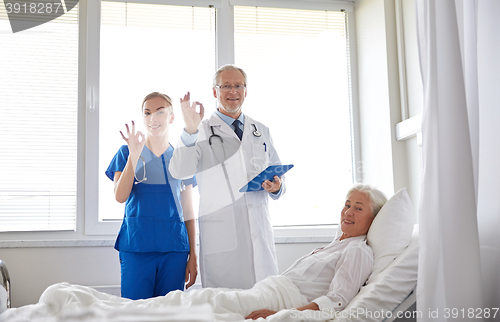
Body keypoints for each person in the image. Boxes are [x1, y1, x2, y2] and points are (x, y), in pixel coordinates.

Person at [26, 185, 388, 321]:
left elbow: (337, 301)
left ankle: (77, 305)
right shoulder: (336, 244)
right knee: (183, 304)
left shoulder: (359, 252)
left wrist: (280, 314)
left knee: (186, 308)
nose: (347, 212)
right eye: (346, 204)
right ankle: (78, 304)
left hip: (272, 299)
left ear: (373, 219)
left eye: (358, 208)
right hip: (262, 291)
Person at [169, 65, 285, 289]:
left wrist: (277, 187)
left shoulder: (260, 130)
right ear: (215, 91)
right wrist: (190, 130)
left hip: (259, 234)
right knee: (225, 308)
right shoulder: (200, 130)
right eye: (226, 86)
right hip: (222, 238)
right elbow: (180, 171)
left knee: (266, 306)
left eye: (238, 86)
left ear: (246, 90)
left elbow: (278, 173)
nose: (233, 91)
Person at [105, 92, 197, 300]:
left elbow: (189, 212)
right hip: (137, 246)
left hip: (174, 248)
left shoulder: (180, 157)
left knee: (169, 313)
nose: (153, 118)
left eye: (160, 112)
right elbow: (120, 196)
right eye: (147, 113)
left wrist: (193, 255)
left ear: (172, 117)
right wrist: (134, 157)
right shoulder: (126, 152)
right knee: (135, 312)